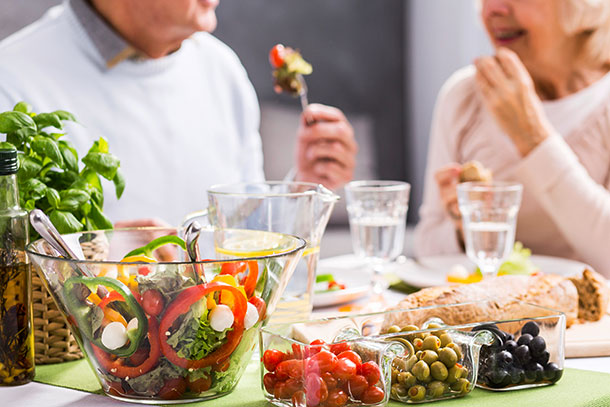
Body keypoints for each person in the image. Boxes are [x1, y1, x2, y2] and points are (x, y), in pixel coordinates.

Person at [0, 0, 357, 226]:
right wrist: (95, 257)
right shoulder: (12, 79)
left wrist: (303, 186)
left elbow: (244, 235)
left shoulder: (221, 68)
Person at [415, 0, 610, 277]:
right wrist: (464, 227)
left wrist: (533, 138)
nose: (491, 9)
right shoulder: (463, 96)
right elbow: (428, 250)